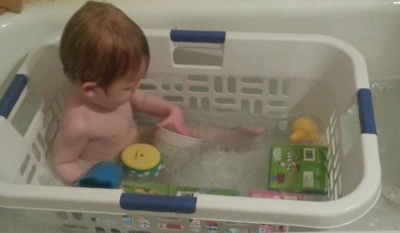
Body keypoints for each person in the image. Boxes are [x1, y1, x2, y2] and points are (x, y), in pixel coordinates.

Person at [52, 1, 193, 185]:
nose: (135, 88)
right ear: (91, 89)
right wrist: (90, 185)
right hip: (115, 174)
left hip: (141, 144)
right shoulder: (78, 124)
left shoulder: (110, 91)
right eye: (129, 87)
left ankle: (239, 137)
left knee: (195, 136)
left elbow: (142, 100)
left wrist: (171, 110)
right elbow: (63, 162)